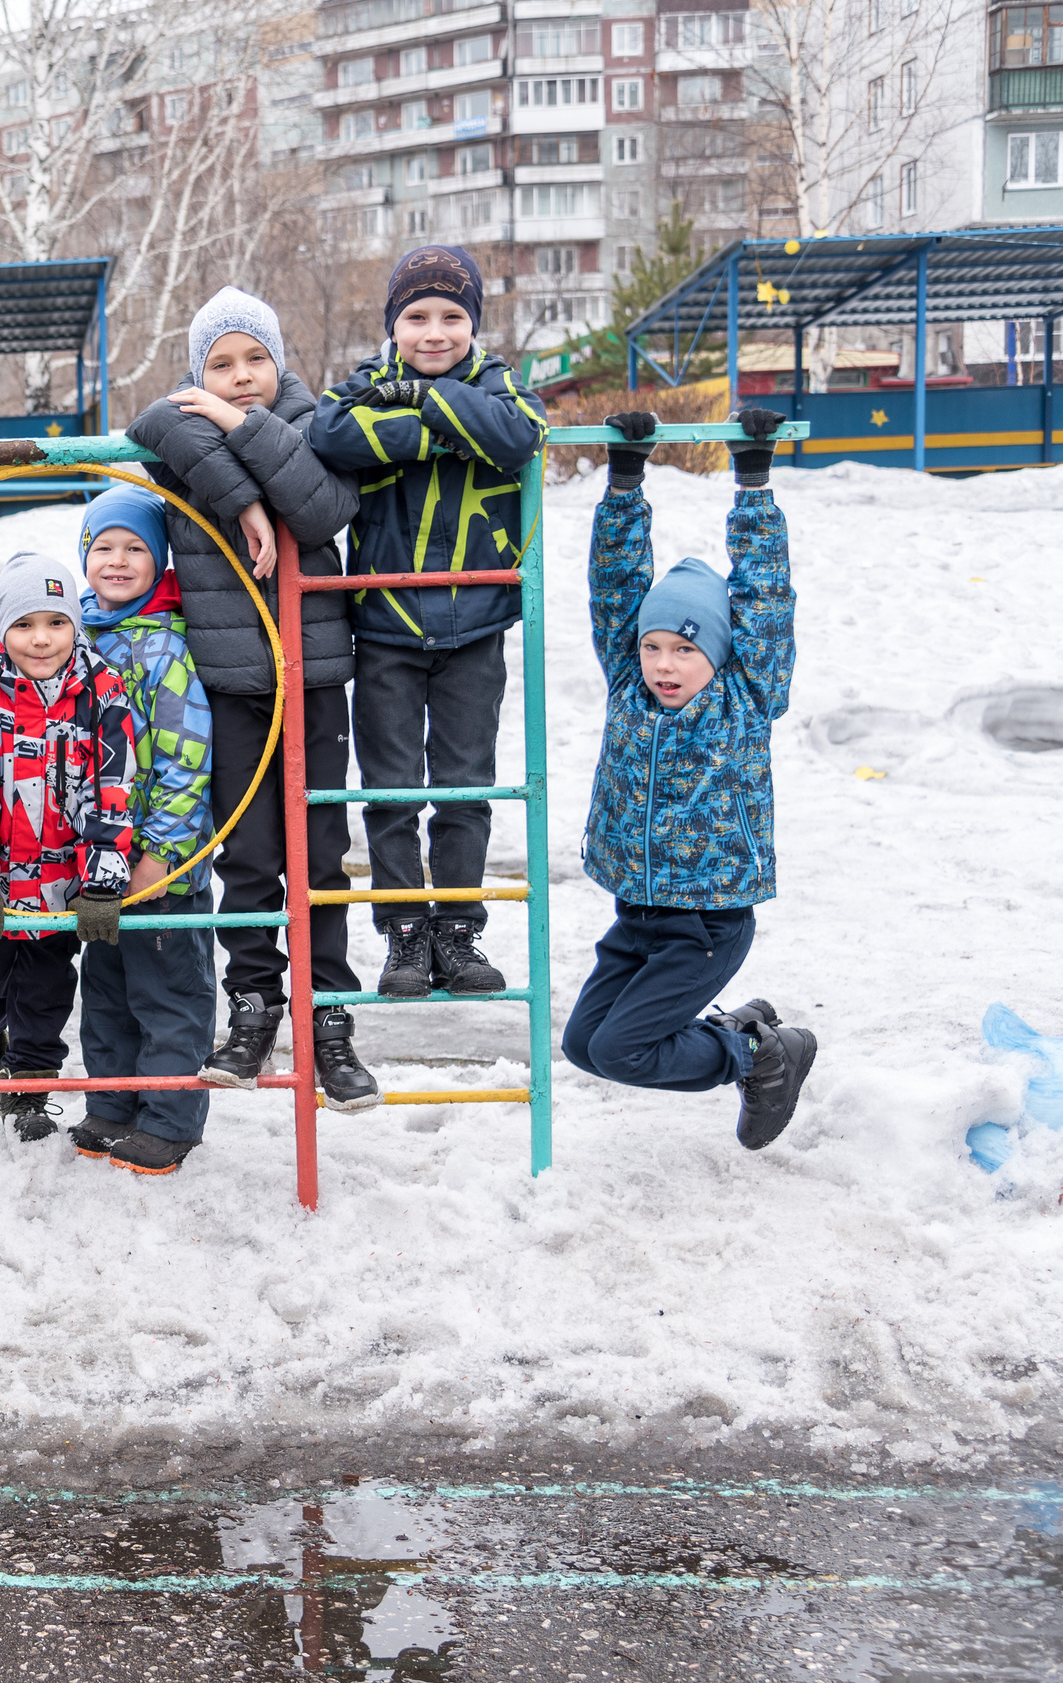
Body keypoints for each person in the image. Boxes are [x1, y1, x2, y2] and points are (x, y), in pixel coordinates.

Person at [124, 286, 379, 1111]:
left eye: (254, 361)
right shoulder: (180, 426)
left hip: (311, 678)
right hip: (232, 684)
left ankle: (330, 1021)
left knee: (320, 855)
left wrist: (241, 437)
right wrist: (242, 503)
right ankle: (254, 1007)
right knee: (248, 858)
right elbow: (151, 426)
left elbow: (324, 502)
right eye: (221, 366)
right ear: (198, 373)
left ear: (281, 363)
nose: (240, 379)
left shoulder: (318, 421)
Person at [564, 407, 818, 1149]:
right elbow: (616, 584)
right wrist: (624, 478)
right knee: (584, 1047)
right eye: (652, 646)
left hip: (707, 924)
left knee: (621, 1049)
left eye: (684, 647)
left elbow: (766, 594)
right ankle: (747, 1036)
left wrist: (753, 479)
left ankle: (761, 1056)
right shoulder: (627, 684)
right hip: (636, 914)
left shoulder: (749, 691)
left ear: (719, 650)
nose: (665, 664)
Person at [309, 245, 548, 1001]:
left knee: (464, 785)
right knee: (389, 788)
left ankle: (458, 929)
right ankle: (405, 932)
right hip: (384, 626)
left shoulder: (499, 383)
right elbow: (330, 434)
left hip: (476, 625)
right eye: (416, 317)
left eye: (452, 316)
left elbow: (518, 436)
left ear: (474, 324)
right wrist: (435, 427)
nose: (434, 332)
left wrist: (425, 401)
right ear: (393, 324)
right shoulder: (366, 384)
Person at [0, 552, 138, 1142]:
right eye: (25, 625)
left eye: (56, 623)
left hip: (60, 880)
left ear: (74, 626)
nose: (41, 639)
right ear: (2, 628)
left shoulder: (101, 691)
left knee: (48, 984)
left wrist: (102, 880)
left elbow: (115, 788)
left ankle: (32, 1081)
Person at [68, 488, 221, 1174]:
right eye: (104, 547)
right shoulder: (73, 635)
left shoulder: (163, 646)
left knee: (168, 989)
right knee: (105, 985)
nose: (118, 560)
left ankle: (169, 1116)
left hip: (161, 865)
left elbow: (187, 760)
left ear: (157, 562)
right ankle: (114, 1099)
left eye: (135, 549)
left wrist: (161, 853)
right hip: (97, 862)